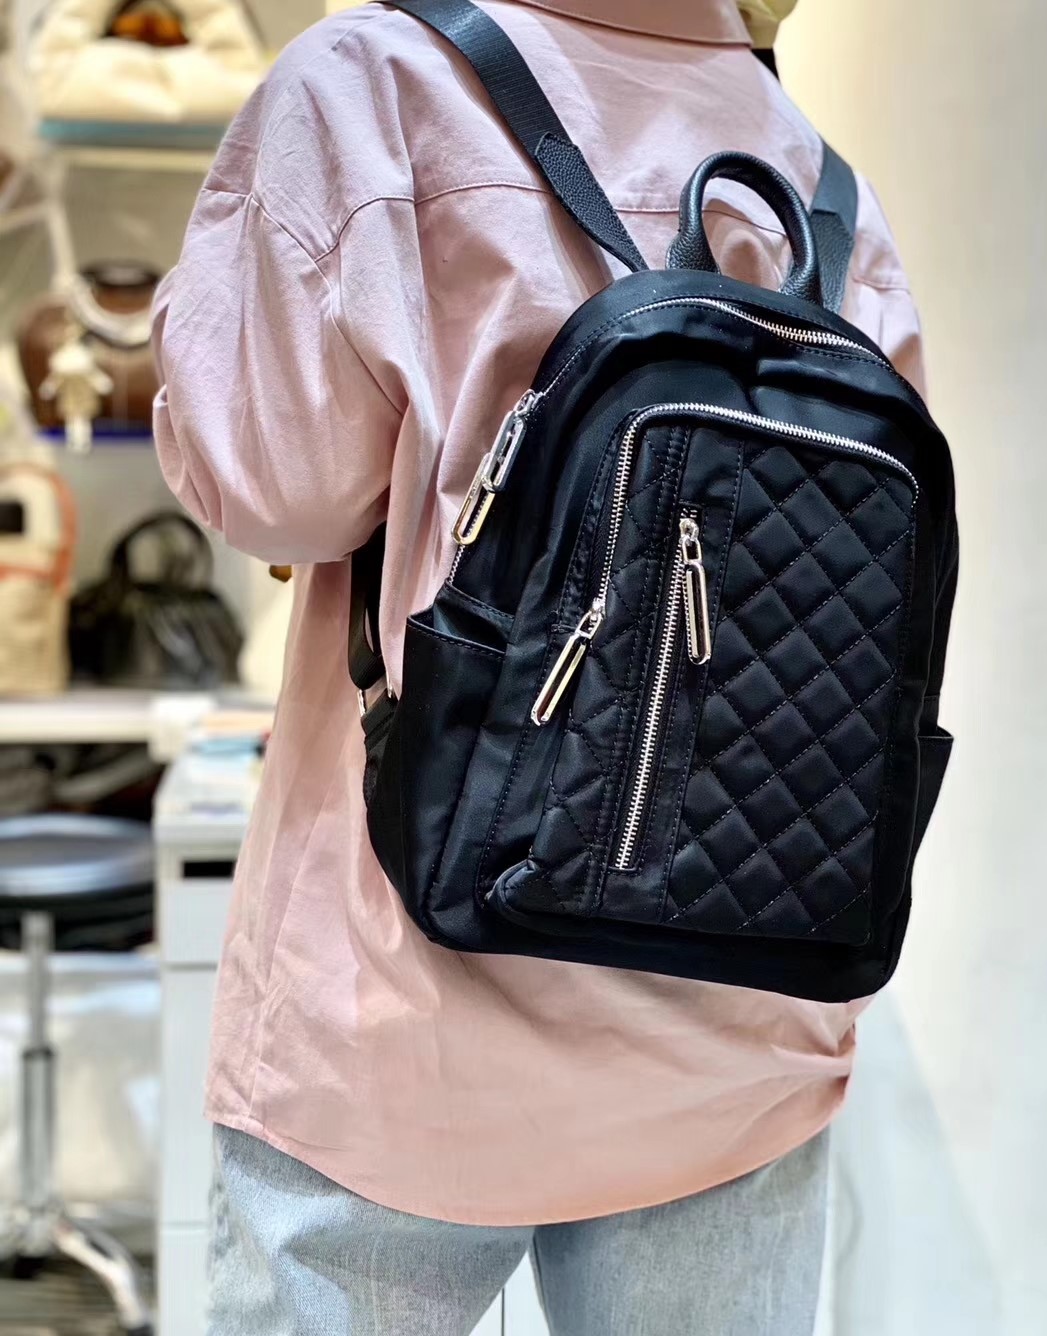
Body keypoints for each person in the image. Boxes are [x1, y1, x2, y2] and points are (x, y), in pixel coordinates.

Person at [152, 2, 925, 1331]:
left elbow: (272, 493)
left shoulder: (375, 86)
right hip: (739, 1021)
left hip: (409, 1010)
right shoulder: (817, 179)